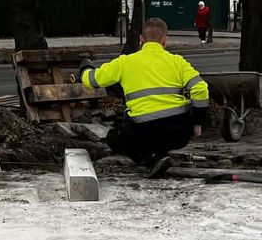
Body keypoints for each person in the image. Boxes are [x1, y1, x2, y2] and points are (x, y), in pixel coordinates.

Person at [79, 17, 210, 177]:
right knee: (173, 125)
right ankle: (159, 154)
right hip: (178, 132)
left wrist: (85, 67)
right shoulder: (178, 62)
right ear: (165, 41)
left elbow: (91, 80)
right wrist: (197, 123)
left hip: (143, 132)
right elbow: (200, 89)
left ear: (141, 40)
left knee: (113, 139)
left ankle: (151, 158)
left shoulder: (125, 62)